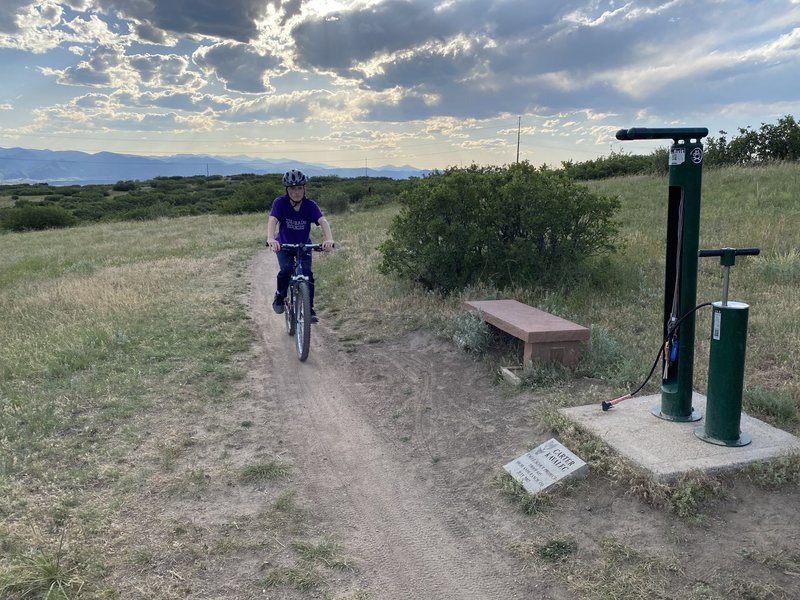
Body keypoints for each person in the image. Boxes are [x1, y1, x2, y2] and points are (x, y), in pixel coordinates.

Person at [267, 169, 335, 323]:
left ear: (304, 188)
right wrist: (271, 239)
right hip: (284, 245)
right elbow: (272, 220)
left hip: (304, 245)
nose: (296, 192)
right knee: (286, 269)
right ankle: (280, 295)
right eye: (292, 188)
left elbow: (323, 221)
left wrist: (328, 239)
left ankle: (309, 308)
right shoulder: (280, 203)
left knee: (307, 274)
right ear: (287, 190)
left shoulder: (310, 205)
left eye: (299, 188)